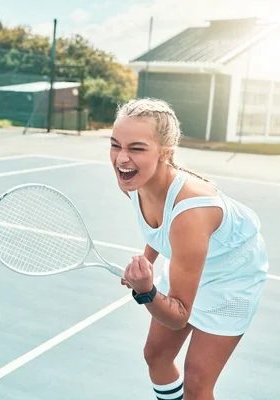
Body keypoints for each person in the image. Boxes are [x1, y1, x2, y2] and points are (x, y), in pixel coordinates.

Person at [110, 97, 269, 400]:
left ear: (165, 153)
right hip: (190, 261)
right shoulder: (132, 180)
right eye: (116, 144)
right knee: (156, 356)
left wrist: (145, 291)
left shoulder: (191, 213)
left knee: (197, 386)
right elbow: (158, 225)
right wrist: (147, 259)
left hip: (231, 279)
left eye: (137, 148)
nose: (121, 158)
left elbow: (179, 316)